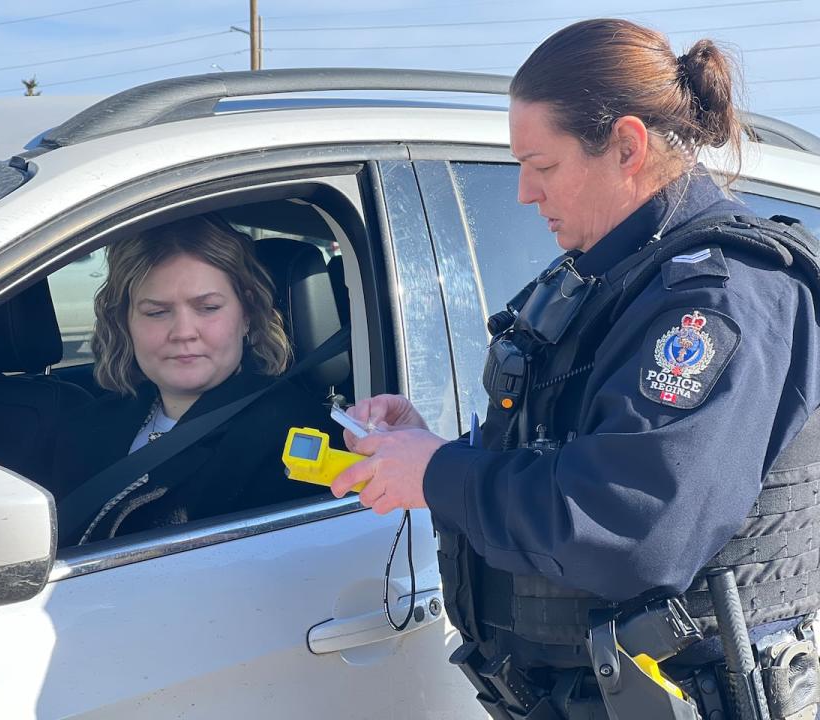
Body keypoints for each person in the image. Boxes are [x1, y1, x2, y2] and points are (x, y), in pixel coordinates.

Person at [332, 18, 820, 718]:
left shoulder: (718, 300)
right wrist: (436, 450)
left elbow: (631, 528)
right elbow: (573, 453)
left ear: (627, 145)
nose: (527, 193)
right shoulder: (616, 281)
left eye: (543, 166)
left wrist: (436, 474)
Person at [52, 214, 337, 547]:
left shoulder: (293, 438)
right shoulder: (83, 426)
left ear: (246, 314)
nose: (184, 332)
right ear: (125, 321)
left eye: (208, 307)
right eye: (156, 312)